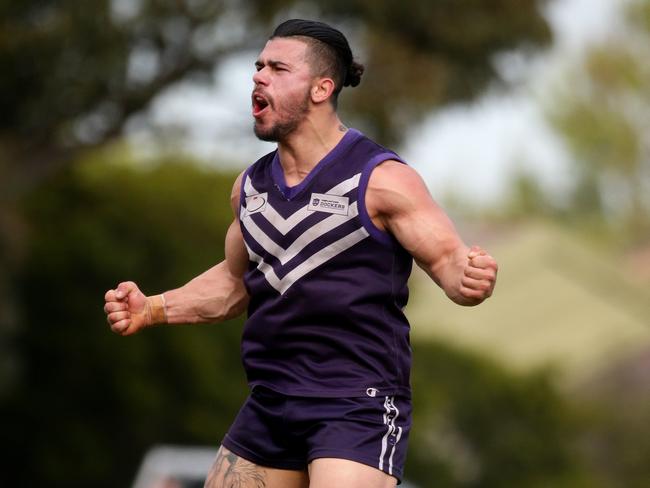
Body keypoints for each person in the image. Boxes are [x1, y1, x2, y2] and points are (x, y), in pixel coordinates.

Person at [104, 19, 498, 488]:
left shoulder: (381, 178)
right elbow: (235, 283)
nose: (258, 76)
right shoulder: (250, 189)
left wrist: (468, 277)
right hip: (271, 402)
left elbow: (448, 260)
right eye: (257, 66)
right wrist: (152, 307)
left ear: (321, 88)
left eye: (277, 68)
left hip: (357, 404)